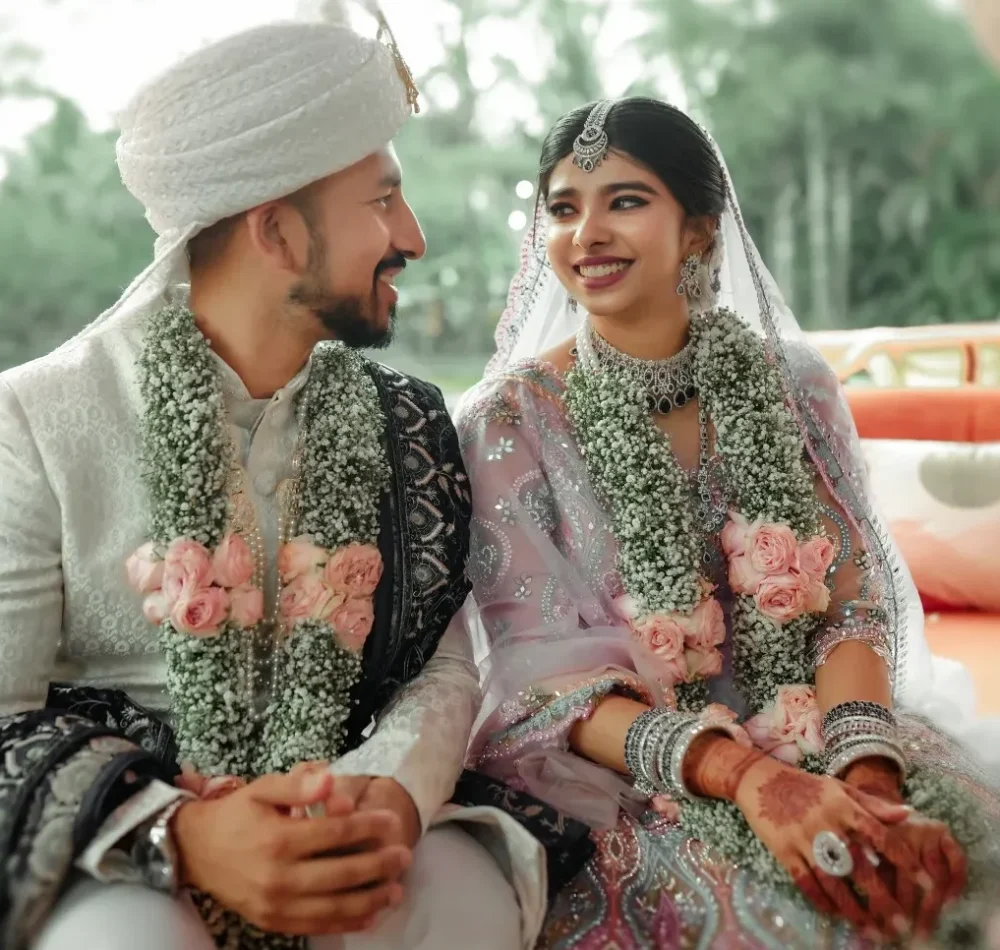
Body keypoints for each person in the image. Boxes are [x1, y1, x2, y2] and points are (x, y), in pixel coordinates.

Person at [0, 10, 545, 950]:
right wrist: (182, 831)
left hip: (342, 800)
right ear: (279, 234)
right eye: (381, 201)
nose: (410, 235)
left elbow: (443, 666)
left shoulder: (407, 419)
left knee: (461, 898)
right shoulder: (37, 419)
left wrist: (384, 798)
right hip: (126, 842)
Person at [457, 96, 1000, 949]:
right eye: (564, 208)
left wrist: (865, 781)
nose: (587, 232)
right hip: (640, 777)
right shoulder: (508, 422)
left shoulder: (792, 385)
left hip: (828, 729)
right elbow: (536, 683)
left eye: (625, 200)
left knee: (946, 873)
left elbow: (847, 605)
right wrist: (744, 776)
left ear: (701, 230)